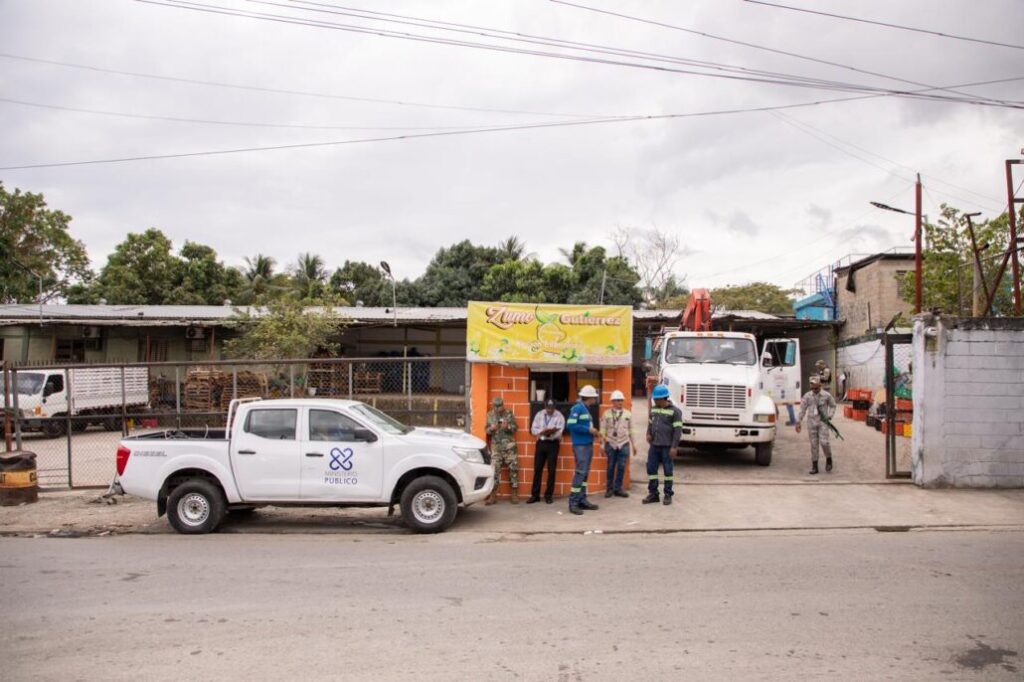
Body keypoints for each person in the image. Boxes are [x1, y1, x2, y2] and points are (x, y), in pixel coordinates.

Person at [643, 384, 682, 506]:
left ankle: (668, 494)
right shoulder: (654, 409)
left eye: (656, 399)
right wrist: (648, 433)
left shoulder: (675, 411)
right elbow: (650, 423)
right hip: (654, 445)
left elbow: (678, 431)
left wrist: (674, 447)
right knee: (651, 469)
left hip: (667, 447)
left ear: (663, 398)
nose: (654, 400)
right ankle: (653, 493)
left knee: (668, 471)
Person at [565, 384, 601, 515]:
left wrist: (593, 432)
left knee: (585, 473)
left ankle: (582, 499)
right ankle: (573, 502)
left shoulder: (585, 409)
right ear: (589, 397)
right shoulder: (578, 408)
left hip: (587, 444)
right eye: (594, 397)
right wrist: (588, 430)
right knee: (580, 473)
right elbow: (570, 425)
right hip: (580, 445)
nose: (595, 399)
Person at [796, 375, 837, 475]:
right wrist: (798, 421)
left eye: (816, 388)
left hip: (823, 422)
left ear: (820, 385)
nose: (814, 390)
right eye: (812, 388)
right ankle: (815, 466)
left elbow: (833, 405)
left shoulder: (826, 395)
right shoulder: (807, 396)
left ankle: (829, 458)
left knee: (824, 442)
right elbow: (802, 409)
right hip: (811, 423)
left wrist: (830, 415)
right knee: (814, 445)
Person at [527, 399, 564, 504]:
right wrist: (542, 432)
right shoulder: (539, 414)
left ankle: (548, 495)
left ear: (555, 407)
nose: (550, 410)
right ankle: (535, 495)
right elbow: (533, 429)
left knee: (551, 470)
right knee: (537, 469)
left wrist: (551, 433)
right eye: (548, 408)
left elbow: (560, 431)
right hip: (541, 443)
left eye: (552, 408)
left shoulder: (559, 416)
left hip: (553, 444)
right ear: (545, 406)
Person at [600, 389, 635, 498]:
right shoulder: (606, 414)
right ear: (613, 401)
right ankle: (609, 489)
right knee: (610, 466)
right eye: (618, 400)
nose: (620, 402)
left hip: (624, 443)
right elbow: (602, 430)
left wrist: (634, 445)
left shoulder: (628, 414)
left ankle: (618, 488)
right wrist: (602, 445)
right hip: (610, 443)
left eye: (621, 400)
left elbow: (631, 430)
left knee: (621, 466)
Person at [485, 397, 519, 504]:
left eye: (500, 406)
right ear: (493, 406)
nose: (498, 409)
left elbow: (515, 428)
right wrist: (491, 429)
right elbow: (486, 430)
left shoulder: (509, 413)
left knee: (513, 469)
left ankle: (514, 494)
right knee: (494, 471)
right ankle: (493, 495)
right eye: (496, 407)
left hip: (509, 447)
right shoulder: (489, 415)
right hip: (496, 448)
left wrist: (507, 427)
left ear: (503, 405)